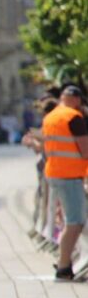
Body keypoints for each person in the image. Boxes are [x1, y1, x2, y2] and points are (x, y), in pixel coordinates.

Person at [41, 85, 88, 281]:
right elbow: (85, 150)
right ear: (76, 100)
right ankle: (63, 266)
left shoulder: (51, 117)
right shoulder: (73, 118)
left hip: (55, 172)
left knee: (71, 219)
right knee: (75, 222)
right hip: (70, 175)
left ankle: (65, 262)